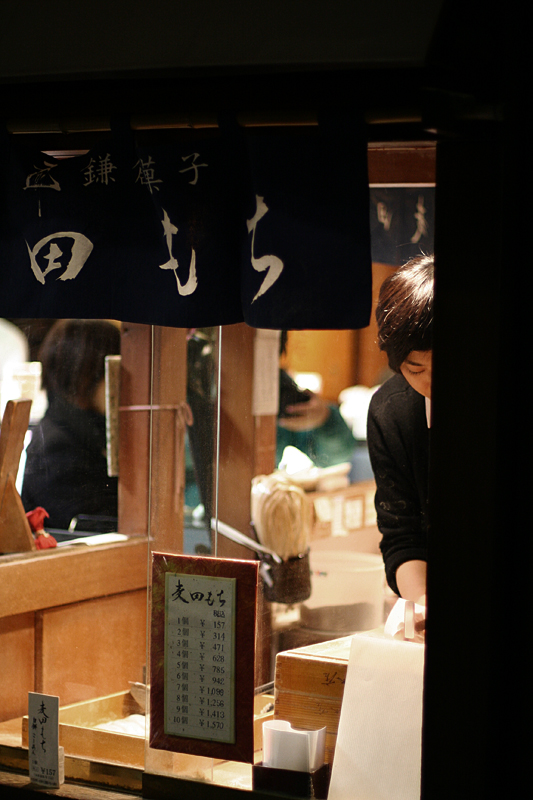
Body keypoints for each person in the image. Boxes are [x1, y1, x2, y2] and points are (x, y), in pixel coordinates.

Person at [366, 254, 434, 617]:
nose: (431, 381)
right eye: (415, 368)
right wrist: (423, 605)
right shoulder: (390, 412)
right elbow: (401, 534)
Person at [21, 319, 120, 531]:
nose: (123, 381)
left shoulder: (85, 434)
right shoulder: (58, 446)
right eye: (114, 369)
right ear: (85, 374)